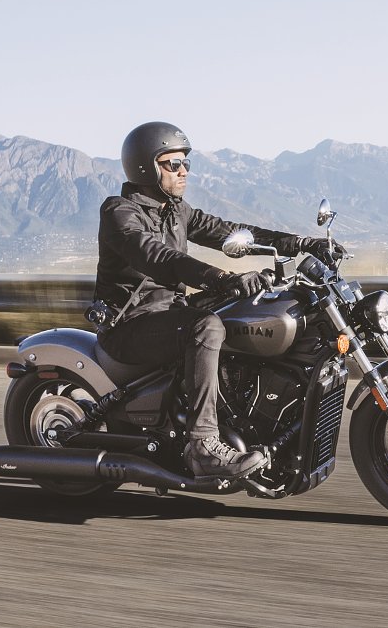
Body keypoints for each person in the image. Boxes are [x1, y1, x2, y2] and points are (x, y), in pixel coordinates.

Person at [94, 121, 346, 479]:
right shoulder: (119, 212)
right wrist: (222, 279)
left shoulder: (177, 210)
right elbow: (157, 257)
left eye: (186, 163)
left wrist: (303, 244)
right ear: (145, 168)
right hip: (130, 325)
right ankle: (203, 446)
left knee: (242, 311)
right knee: (206, 327)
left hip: (171, 313)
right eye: (173, 164)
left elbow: (234, 233)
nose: (183, 171)